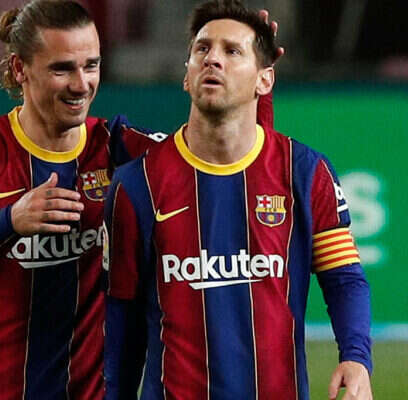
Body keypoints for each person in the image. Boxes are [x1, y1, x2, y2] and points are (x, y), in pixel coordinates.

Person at [0, 0, 275, 399]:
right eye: (62, 69)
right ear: (21, 69)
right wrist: (12, 221)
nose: (81, 84)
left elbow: (226, 167)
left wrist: (256, 83)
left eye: (91, 66)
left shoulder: (116, 146)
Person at [103, 1, 373, 400]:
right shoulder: (136, 183)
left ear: (265, 80)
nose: (212, 59)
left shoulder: (305, 172)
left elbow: (344, 278)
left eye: (232, 51)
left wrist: (356, 358)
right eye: (202, 49)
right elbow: (122, 322)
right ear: (186, 76)